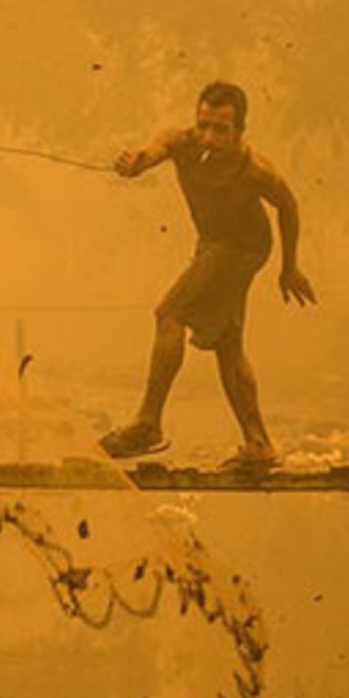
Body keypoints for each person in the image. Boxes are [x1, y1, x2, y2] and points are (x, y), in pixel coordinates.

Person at [98, 81, 315, 468]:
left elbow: (289, 205)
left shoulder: (254, 170)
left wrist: (290, 266)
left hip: (241, 249)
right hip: (212, 245)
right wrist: (136, 163)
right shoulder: (183, 143)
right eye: (204, 125)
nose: (209, 137)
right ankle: (259, 443)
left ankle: (148, 424)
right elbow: (152, 151)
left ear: (240, 131)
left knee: (169, 315)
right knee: (228, 344)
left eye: (221, 129)